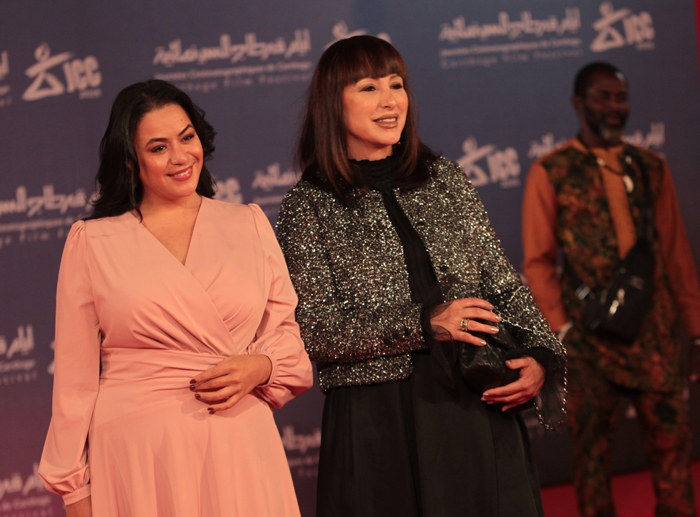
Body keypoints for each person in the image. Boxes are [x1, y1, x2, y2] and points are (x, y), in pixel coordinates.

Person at [276, 35, 566, 517]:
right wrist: (423, 323)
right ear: (332, 102)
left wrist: (540, 355)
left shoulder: (445, 178)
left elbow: (502, 283)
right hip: (379, 421)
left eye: (396, 84)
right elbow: (315, 330)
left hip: (474, 402)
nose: (390, 100)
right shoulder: (308, 206)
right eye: (369, 88)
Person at [38, 79, 313, 517]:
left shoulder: (248, 224)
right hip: (138, 456)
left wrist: (261, 366)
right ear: (131, 160)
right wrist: (75, 493)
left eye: (187, 138)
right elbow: (74, 385)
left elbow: (286, 337)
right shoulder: (92, 242)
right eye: (158, 147)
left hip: (238, 444)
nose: (181, 157)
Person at [522, 61, 700, 517]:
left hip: (656, 334)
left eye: (621, 97)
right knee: (592, 459)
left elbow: (677, 256)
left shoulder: (652, 168)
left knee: (673, 449)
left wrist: (696, 331)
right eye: (603, 97)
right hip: (587, 339)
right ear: (579, 104)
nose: (615, 107)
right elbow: (538, 262)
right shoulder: (551, 171)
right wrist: (562, 329)